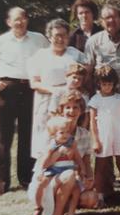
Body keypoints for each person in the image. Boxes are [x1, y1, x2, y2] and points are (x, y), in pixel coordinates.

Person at [0, 7, 49, 195]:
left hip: (30, 89)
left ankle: (27, 179)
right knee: (2, 137)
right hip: (7, 89)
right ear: (9, 22)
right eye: (16, 19)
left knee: (29, 136)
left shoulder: (39, 39)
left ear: (27, 20)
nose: (20, 22)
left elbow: (50, 59)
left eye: (24, 18)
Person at [28, 18, 88, 160]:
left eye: (64, 35)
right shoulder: (40, 55)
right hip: (46, 102)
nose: (60, 39)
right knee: (46, 142)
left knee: (69, 141)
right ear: (49, 37)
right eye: (57, 35)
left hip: (70, 105)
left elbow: (86, 74)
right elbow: (34, 83)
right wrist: (55, 91)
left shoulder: (75, 54)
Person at [28, 91, 96, 215]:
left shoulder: (84, 134)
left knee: (90, 198)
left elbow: (86, 162)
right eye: (68, 107)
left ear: (81, 111)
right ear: (62, 110)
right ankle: (53, 211)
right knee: (69, 175)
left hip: (70, 179)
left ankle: (61, 209)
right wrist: (58, 153)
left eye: (76, 107)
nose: (72, 111)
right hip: (47, 178)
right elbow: (42, 163)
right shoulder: (51, 132)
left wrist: (88, 178)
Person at [89, 65, 120, 206]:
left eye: (110, 84)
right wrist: (95, 141)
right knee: (101, 165)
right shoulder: (95, 100)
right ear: (99, 83)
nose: (107, 87)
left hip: (119, 135)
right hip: (104, 136)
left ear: (114, 84)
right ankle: (100, 195)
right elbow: (92, 122)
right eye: (104, 84)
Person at [33, 116, 87, 215]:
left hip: (68, 170)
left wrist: (83, 169)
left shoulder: (72, 143)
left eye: (67, 132)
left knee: (76, 190)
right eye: (62, 133)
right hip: (54, 170)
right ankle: (38, 206)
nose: (65, 135)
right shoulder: (52, 146)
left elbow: (78, 158)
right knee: (42, 184)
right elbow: (45, 160)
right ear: (53, 135)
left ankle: (71, 212)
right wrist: (41, 170)